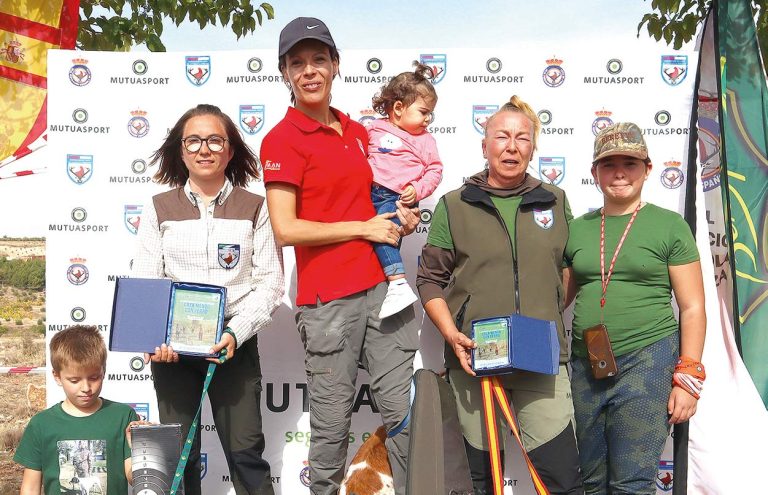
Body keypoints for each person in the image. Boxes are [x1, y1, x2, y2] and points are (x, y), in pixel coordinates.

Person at [260, 17, 420, 495]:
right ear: (285, 72)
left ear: (335, 65)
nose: (309, 70)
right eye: (297, 62)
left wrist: (399, 216)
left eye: (318, 59)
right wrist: (363, 228)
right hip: (328, 301)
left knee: (405, 415)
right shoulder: (281, 139)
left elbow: (374, 198)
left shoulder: (357, 130)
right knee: (331, 427)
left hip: (384, 291)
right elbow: (286, 229)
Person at [417, 96, 583, 495]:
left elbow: (569, 268)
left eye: (522, 138)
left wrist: (545, 307)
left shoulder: (555, 200)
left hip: (541, 360)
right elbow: (430, 280)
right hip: (476, 361)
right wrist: (452, 335)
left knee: (562, 478)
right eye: (502, 137)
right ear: (484, 145)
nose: (512, 146)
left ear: (533, 147)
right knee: (482, 481)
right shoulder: (454, 205)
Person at [132, 103, 285, 495]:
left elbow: (270, 283)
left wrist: (235, 333)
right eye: (194, 141)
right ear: (181, 151)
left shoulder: (255, 206)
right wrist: (154, 338)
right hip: (174, 353)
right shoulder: (158, 207)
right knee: (176, 456)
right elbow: (148, 280)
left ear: (230, 150)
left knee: (246, 452)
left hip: (233, 346)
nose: (205, 149)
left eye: (215, 140)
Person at [564, 122, 706, 494]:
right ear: (595, 173)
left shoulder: (669, 225)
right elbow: (553, 299)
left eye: (630, 162)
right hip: (586, 362)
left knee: (631, 482)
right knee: (591, 482)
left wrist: (688, 379)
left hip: (648, 359)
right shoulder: (577, 229)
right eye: (609, 164)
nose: (620, 172)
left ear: (648, 168)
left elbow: (692, 307)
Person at [15, 325, 141, 494]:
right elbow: (30, 487)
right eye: (74, 380)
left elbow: (136, 478)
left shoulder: (124, 416)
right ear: (57, 377)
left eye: (94, 378)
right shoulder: (41, 424)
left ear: (104, 372)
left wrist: (143, 453)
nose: (86, 388)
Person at [368, 62, 443, 318]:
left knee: (384, 235)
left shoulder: (426, 140)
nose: (427, 119)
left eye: (430, 114)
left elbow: (435, 170)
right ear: (398, 108)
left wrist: (417, 188)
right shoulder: (374, 128)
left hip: (398, 198)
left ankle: (398, 283)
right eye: (423, 112)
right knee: (367, 239)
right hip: (369, 195)